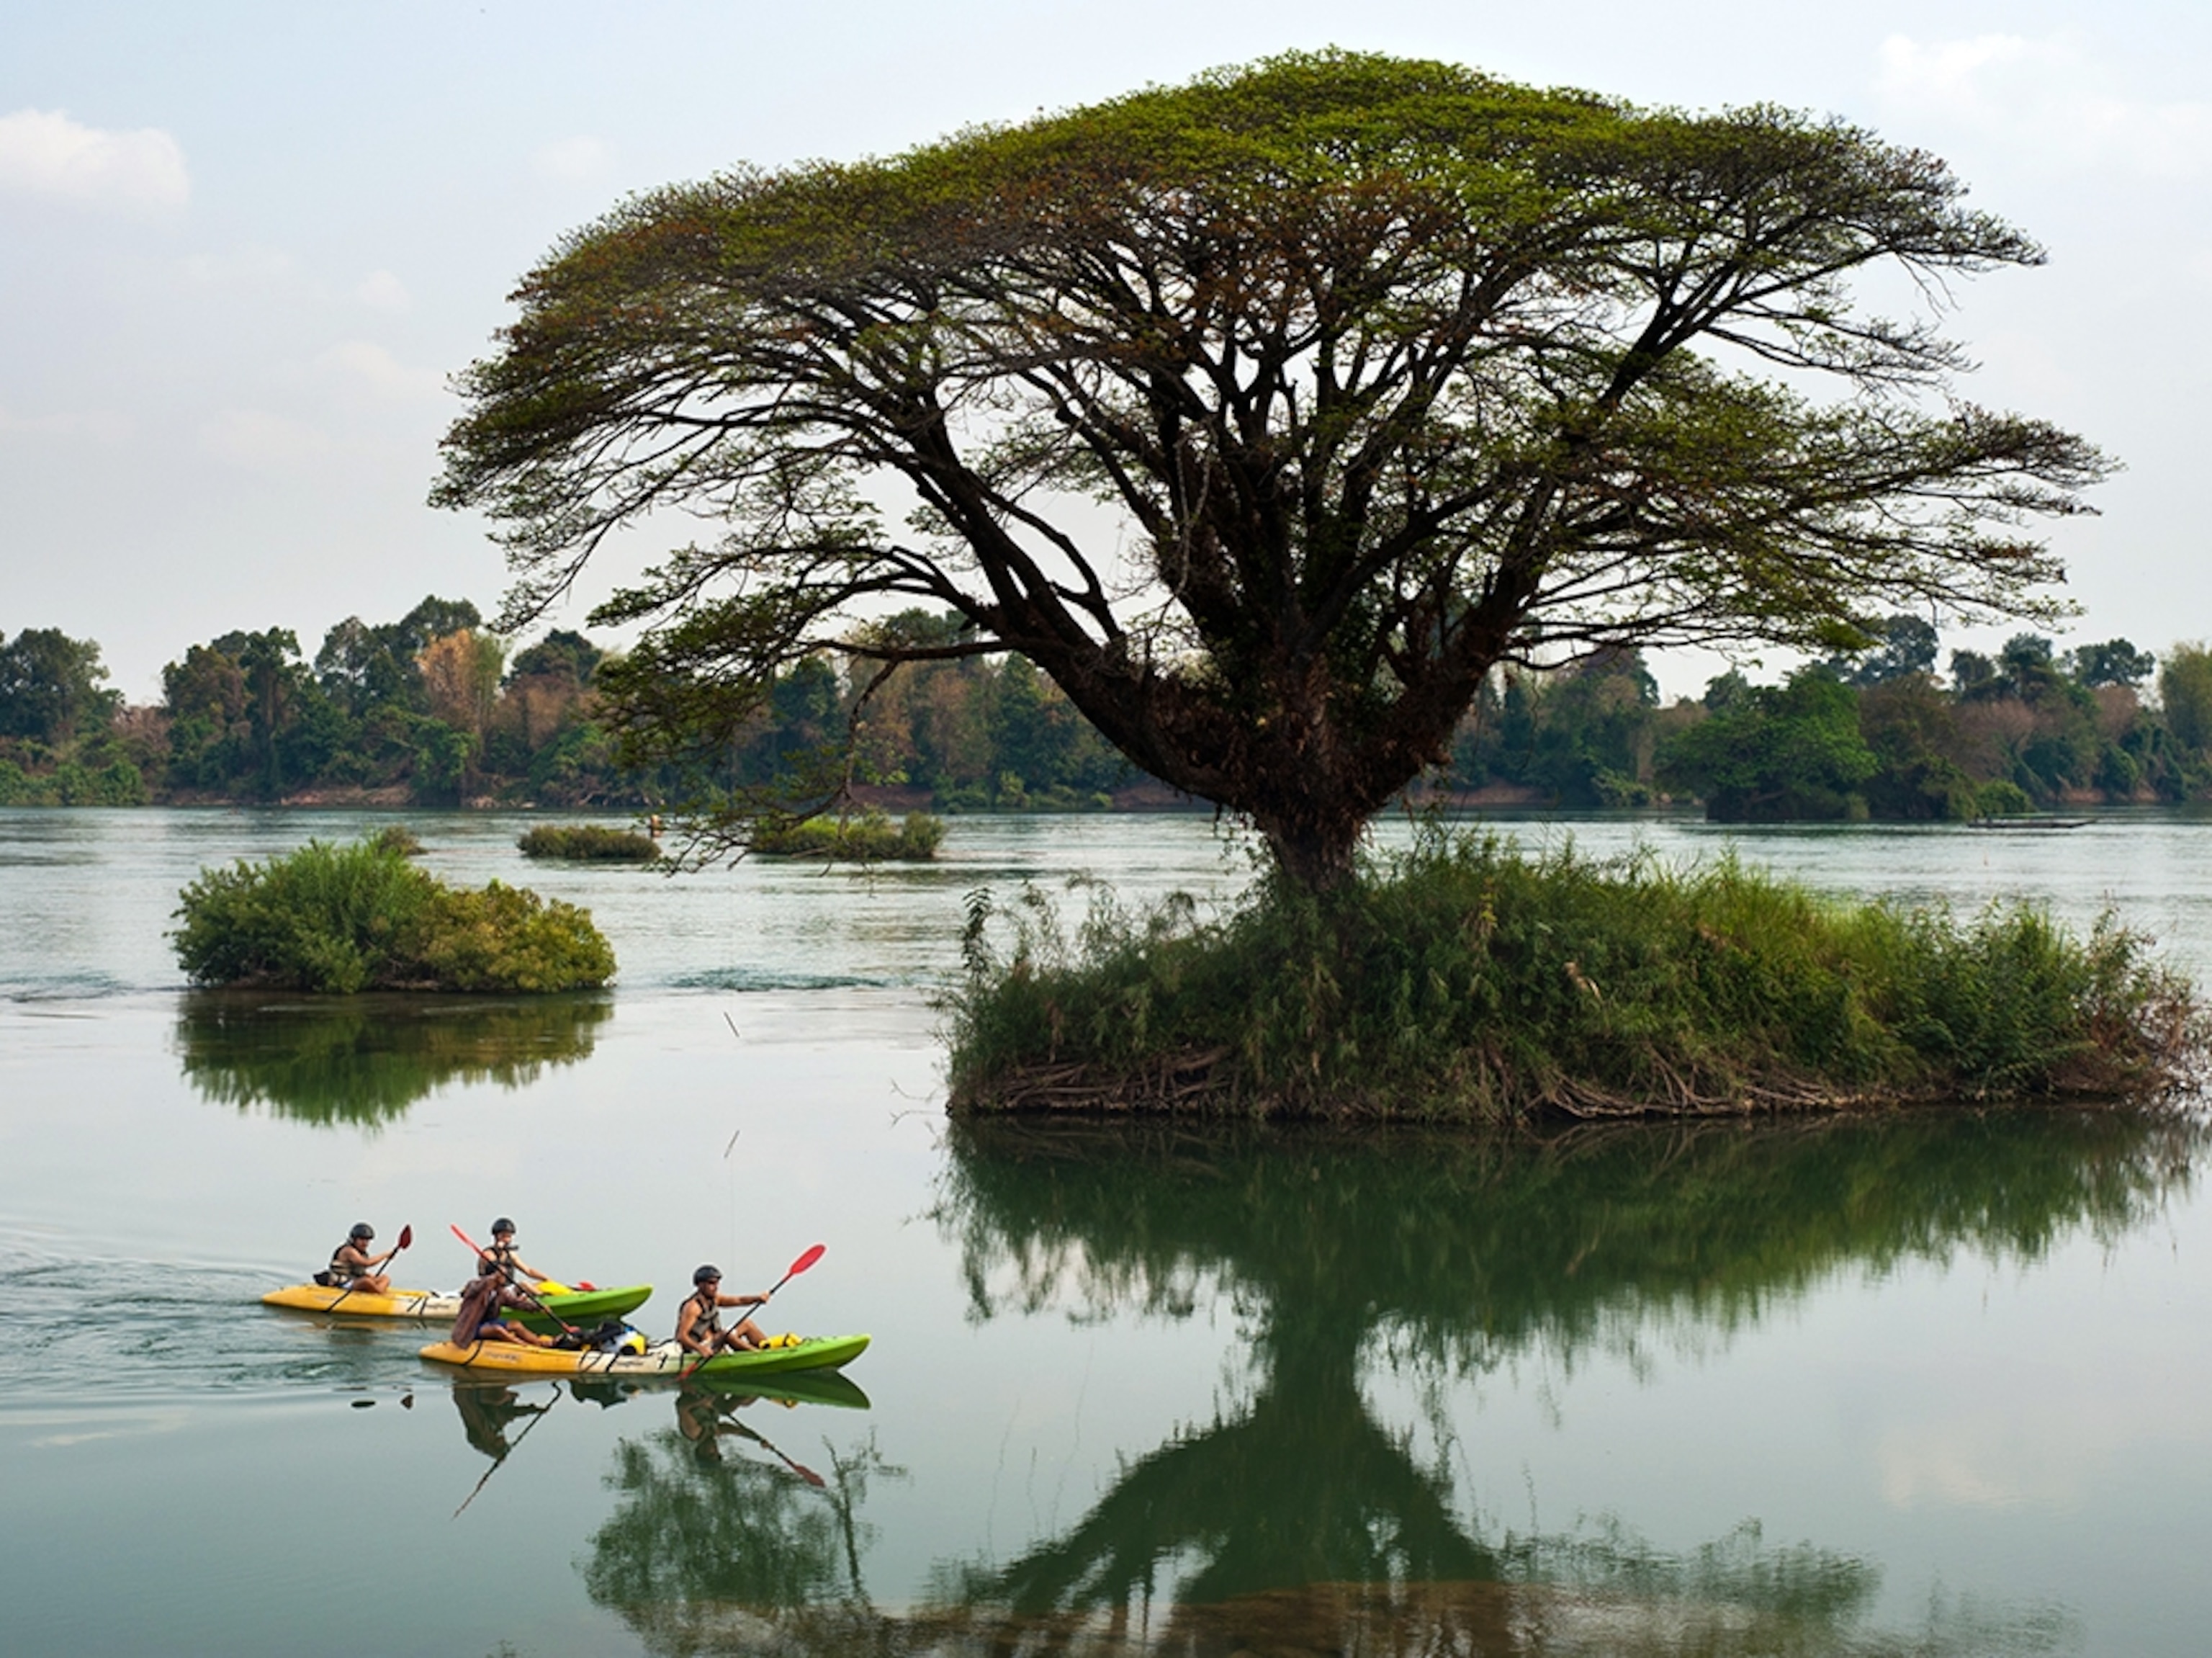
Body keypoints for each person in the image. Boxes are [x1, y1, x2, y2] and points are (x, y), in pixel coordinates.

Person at [449, 1267, 561, 1350]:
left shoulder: (501, 1293)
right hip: (472, 1327)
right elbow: (471, 1289)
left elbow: (517, 1304)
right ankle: (524, 1347)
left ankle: (538, 1343)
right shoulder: (476, 1286)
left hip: (489, 1323)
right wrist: (489, 1280)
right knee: (498, 1330)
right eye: (503, 1275)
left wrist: (538, 1308)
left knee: (516, 1325)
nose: (505, 1278)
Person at [675, 1264, 770, 1358]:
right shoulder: (693, 1307)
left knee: (746, 1323)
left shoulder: (715, 1299)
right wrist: (700, 1349)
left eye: (717, 1283)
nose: (716, 1287)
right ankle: (757, 1355)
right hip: (700, 1349)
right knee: (725, 1334)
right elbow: (682, 1337)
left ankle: (768, 1348)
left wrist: (757, 1299)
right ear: (700, 1285)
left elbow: (739, 1300)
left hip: (717, 1342)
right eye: (711, 1283)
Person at [325, 1222, 397, 1294]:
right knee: (366, 1282)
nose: (365, 1243)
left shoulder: (362, 1253)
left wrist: (368, 1275)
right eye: (362, 1239)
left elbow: (358, 1271)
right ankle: (379, 1293)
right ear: (354, 1239)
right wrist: (386, 1255)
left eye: (367, 1240)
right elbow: (366, 1263)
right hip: (343, 1283)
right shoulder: (348, 1251)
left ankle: (377, 1291)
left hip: (355, 1281)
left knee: (385, 1278)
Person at [475, 1218, 548, 1286]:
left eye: (509, 1236)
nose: (507, 1240)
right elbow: (486, 1274)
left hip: (509, 1288)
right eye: (504, 1236)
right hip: (492, 1290)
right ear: (496, 1237)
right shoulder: (488, 1254)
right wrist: (499, 1251)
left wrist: (547, 1279)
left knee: (529, 1286)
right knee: (524, 1285)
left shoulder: (511, 1255)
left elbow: (528, 1271)